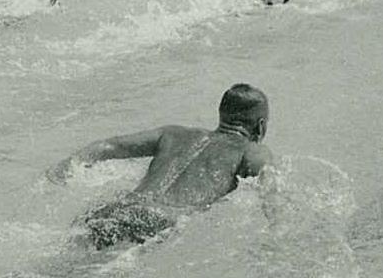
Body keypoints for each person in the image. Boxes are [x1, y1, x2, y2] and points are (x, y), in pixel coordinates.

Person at [49, 84, 273, 249]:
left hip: (117, 206)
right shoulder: (251, 152)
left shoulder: (172, 133)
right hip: (160, 221)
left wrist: (63, 169)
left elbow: (109, 146)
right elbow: (271, 191)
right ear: (261, 127)